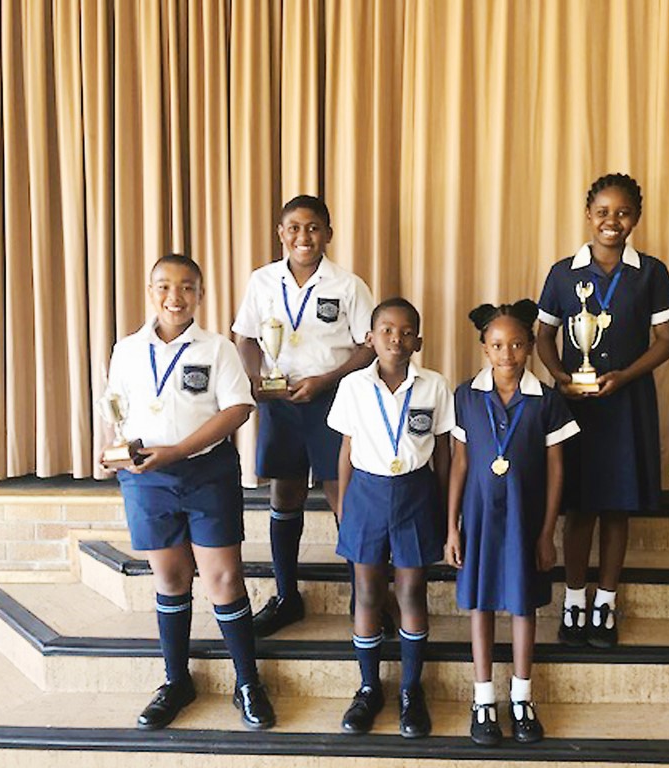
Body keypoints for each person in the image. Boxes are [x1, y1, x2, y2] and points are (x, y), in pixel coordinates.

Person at [103, 254, 274, 731]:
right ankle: (176, 681)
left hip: (206, 473)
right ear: (150, 291)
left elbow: (238, 409)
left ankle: (248, 682)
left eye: (185, 287)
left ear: (199, 294)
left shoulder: (217, 349)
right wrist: (113, 449)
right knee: (171, 578)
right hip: (147, 479)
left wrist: (178, 451)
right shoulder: (126, 350)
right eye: (163, 286)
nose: (174, 297)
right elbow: (116, 407)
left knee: (224, 579)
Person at [536, 173, 669, 648]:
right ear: (588, 215)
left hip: (627, 402)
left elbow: (668, 340)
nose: (611, 221)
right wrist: (561, 377)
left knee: (618, 508)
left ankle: (605, 603)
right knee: (579, 507)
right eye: (602, 212)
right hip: (575, 407)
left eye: (622, 213)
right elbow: (544, 336)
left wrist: (625, 375)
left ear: (636, 218)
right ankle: (574, 601)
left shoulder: (651, 272)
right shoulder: (563, 273)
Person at [232, 195, 375, 636]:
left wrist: (326, 379)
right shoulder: (262, 281)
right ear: (281, 233)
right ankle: (286, 596)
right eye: (294, 227)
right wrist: (256, 380)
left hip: (333, 402)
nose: (303, 236)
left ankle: (365, 597)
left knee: (342, 494)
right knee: (285, 494)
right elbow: (245, 337)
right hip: (281, 402)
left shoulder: (348, 285)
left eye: (313, 228)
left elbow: (368, 346)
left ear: (328, 233)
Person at [447, 300, 579, 746]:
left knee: (524, 606)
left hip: (526, 519)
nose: (508, 354)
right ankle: (483, 698)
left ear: (530, 347)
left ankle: (522, 696)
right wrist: (452, 527)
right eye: (498, 345)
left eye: (518, 344)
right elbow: (459, 464)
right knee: (481, 605)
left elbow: (557, 470)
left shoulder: (547, 401)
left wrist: (547, 532)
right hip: (479, 519)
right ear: (485, 348)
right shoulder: (466, 396)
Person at [327, 297, 453, 738]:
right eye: (386, 330)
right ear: (370, 338)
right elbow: (346, 450)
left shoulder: (435, 386)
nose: (395, 339)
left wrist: (444, 511)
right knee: (367, 591)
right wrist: (344, 505)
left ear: (418, 341)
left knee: (412, 590)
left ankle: (411, 690)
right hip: (366, 493)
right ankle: (369, 688)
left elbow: (444, 453)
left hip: (417, 494)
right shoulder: (353, 386)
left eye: (405, 332)